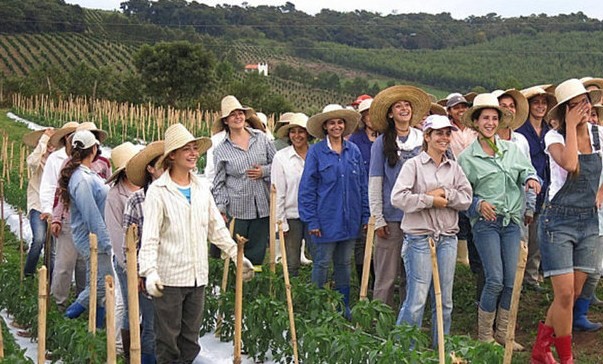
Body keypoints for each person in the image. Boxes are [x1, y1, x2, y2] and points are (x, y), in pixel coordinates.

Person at [138, 123, 254, 363]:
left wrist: (237, 255)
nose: (193, 154)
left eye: (194, 149)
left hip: (197, 276)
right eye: (186, 149)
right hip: (169, 278)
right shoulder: (159, 191)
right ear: (172, 156)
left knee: (190, 341)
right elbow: (149, 237)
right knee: (167, 341)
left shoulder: (201, 188)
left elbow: (216, 228)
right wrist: (149, 272)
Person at [457, 93, 540, 351]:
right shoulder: (467, 158)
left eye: (494, 118)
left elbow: (529, 171)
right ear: (477, 122)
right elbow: (461, 194)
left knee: (509, 280)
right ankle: (484, 335)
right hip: (485, 224)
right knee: (494, 278)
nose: (490, 123)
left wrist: (532, 180)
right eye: (485, 118)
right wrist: (477, 204)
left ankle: (504, 334)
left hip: (511, 222)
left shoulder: (512, 151)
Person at [531, 79, 603, 364]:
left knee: (571, 295)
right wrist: (571, 127)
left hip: (588, 220)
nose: (584, 108)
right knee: (562, 295)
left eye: (586, 101)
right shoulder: (554, 137)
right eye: (576, 104)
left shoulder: (600, 134)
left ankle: (541, 348)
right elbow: (572, 164)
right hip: (557, 221)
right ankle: (567, 358)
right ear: (564, 111)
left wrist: (600, 192)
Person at [391, 115, 472, 348]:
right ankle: (404, 350)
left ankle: (441, 349)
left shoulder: (454, 167)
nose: (444, 138)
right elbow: (397, 198)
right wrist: (428, 200)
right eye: (439, 133)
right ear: (427, 136)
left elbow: (466, 199)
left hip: (447, 237)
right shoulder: (413, 165)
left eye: (448, 133)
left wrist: (446, 195)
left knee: (444, 299)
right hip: (419, 238)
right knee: (416, 298)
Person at [298, 104, 369, 318]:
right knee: (321, 263)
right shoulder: (317, 153)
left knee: (344, 264)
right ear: (325, 127)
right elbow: (307, 189)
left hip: (350, 219)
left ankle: (342, 306)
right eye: (332, 123)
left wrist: (365, 215)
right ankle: (316, 306)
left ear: (344, 126)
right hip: (326, 219)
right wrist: (312, 221)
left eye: (340, 122)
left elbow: (362, 186)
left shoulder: (353, 151)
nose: (336, 126)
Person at [368, 85, 431, 309]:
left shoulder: (423, 141)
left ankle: (408, 322)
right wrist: (378, 218)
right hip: (392, 217)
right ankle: (379, 319)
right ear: (390, 114)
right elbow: (376, 182)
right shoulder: (381, 143)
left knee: (412, 273)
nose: (404, 109)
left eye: (407, 105)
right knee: (386, 274)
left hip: (418, 216)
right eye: (398, 106)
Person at [212, 95, 276, 268]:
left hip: (262, 206)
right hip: (238, 209)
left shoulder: (261, 139)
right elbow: (218, 183)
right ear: (226, 121)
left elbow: (277, 165)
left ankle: (254, 290)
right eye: (232, 115)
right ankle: (236, 288)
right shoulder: (221, 150)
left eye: (240, 113)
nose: (238, 117)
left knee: (257, 252)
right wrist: (221, 208)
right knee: (237, 253)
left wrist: (263, 171)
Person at [58, 130, 114, 327]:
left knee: (97, 285)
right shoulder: (81, 179)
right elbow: (91, 214)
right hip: (92, 239)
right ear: (93, 148)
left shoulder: (86, 173)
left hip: (95, 237)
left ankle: (97, 329)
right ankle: (64, 322)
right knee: (101, 286)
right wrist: (106, 242)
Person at [122, 140, 165, 364]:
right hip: (150, 271)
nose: (166, 168)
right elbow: (130, 243)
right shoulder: (137, 200)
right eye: (161, 164)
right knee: (150, 326)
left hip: (176, 271)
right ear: (150, 169)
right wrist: (138, 273)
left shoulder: (179, 194)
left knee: (171, 329)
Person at [516, 86, 557, 293]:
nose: (540, 106)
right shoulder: (520, 132)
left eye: (543, 102)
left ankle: (532, 277)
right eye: (536, 102)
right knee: (523, 234)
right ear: (529, 106)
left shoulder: (551, 132)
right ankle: (518, 278)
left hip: (547, 188)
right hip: (526, 187)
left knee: (538, 236)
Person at [104, 142, 140, 360]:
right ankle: (125, 351)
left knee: (141, 308)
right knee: (128, 306)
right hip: (126, 261)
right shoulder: (115, 196)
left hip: (146, 260)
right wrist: (129, 265)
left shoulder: (147, 187)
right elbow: (117, 236)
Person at [493, 89, 536, 247]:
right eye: (503, 105)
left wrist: (530, 206)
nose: (508, 109)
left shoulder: (521, 141)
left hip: (519, 205)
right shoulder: (487, 141)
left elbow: (529, 172)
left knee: (519, 252)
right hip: (494, 207)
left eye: (511, 106)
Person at [271, 113, 311, 277]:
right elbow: (277, 191)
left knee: (319, 259)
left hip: (313, 215)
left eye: (301, 131)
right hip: (292, 215)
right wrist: (280, 222)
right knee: (292, 262)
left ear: (307, 133)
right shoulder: (281, 157)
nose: (297, 136)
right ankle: (291, 296)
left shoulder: (316, 154)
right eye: (293, 132)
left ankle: (317, 294)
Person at [348, 97, 377, 287]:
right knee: (362, 239)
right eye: (367, 115)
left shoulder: (386, 137)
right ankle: (365, 280)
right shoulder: (355, 140)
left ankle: (382, 278)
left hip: (383, 195)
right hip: (361, 194)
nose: (370, 118)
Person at [23, 128, 55, 277]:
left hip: (54, 208)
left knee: (52, 247)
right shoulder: (38, 162)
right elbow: (31, 161)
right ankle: (28, 273)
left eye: (52, 144)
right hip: (38, 206)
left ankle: (50, 279)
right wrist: (43, 140)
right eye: (48, 144)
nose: (50, 147)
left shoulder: (57, 162)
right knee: (39, 239)